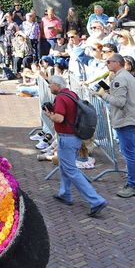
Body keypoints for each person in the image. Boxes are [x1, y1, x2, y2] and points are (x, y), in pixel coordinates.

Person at [42, 76, 106, 216]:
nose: (49, 86)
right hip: (75, 137)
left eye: (50, 84)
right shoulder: (71, 94)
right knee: (65, 166)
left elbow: (60, 118)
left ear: (57, 85)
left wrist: (49, 115)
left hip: (67, 138)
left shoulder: (60, 98)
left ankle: (96, 200)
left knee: (71, 170)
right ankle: (65, 193)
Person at [95, 53, 135, 198]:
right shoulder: (127, 76)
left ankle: (133, 185)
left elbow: (119, 102)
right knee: (132, 153)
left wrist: (103, 95)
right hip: (130, 118)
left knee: (129, 154)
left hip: (125, 119)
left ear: (117, 63)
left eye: (109, 62)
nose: (107, 64)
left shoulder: (120, 78)